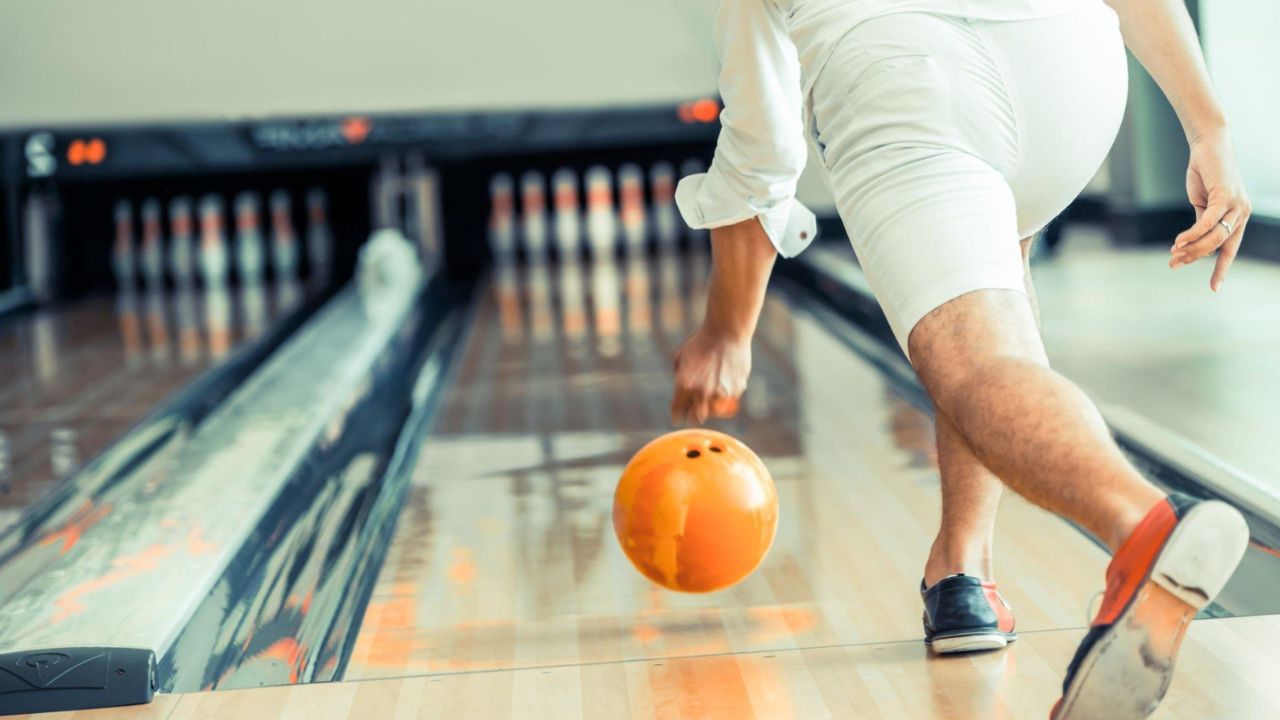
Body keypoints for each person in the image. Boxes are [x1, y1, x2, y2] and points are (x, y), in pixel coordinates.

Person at [668, 1, 1253, 718]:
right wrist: (1209, 126)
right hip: (1071, 68)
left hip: (906, 78)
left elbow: (763, 149)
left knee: (974, 362)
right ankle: (961, 573)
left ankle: (1143, 523)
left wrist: (728, 330)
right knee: (982, 307)